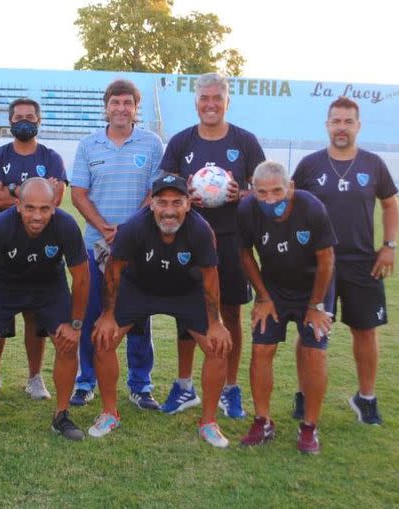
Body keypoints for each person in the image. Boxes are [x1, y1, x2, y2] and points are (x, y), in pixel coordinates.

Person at [90, 175, 232, 447]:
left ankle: (209, 422)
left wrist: (216, 322)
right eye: (162, 202)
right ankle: (109, 413)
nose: (169, 210)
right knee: (103, 339)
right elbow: (114, 271)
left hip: (185, 291)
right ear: (151, 204)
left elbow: (210, 277)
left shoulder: (201, 231)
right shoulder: (134, 228)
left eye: (177, 202)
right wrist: (107, 315)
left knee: (217, 346)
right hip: (139, 289)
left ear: (188, 204)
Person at [158, 72, 265, 419]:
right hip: (188, 239)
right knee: (187, 311)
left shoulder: (245, 141)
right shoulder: (181, 141)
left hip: (233, 240)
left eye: (217, 98)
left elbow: (266, 190)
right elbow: (162, 185)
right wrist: (182, 191)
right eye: (204, 98)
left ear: (227, 101)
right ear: (196, 102)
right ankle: (184, 384)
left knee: (231, 312)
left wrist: (242, 194)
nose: (210, 104)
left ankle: (230, 389)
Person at [292, 96, 399, 425]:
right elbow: (291, 205)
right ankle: (303, 392)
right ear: (327, 125)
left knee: (365, 331)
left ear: (358, 126)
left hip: (362, 262)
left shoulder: (373, 164)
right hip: (317, 263)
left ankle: (365, 398)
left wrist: (389, 245)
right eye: (336, 121)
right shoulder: (310, 165)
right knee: (311, 331)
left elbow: (390, 204)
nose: (341, 128)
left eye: (348, 122)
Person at [0, 177, 90, 441]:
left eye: (45, 208)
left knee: (67, 342)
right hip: (4, 284)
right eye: (30, 208)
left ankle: (62, 414)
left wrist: (76, 325)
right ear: (17, 205)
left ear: (54, 206)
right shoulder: (1, 225)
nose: (37, 216)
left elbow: (81, 277)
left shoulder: (66, 225)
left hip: (48, 285)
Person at [70, 79, 164, 410]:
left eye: (128, 103)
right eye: (115, 102)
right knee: (91, 314)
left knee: (138, 317)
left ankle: (140, 384)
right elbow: (78, 193)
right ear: (106, 107)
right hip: (96, 245)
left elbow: (155, 194)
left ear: (136, 109)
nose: (121, 108)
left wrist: (128, 229)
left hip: (138, 247)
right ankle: (86, 380)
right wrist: (103, 227)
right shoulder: (88, 145)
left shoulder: (152, 144)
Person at [237, 161, 336, 454]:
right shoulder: (247, 210)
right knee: (261, 349)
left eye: (277, 191)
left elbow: (326, 258)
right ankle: (262, 421)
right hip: (274, 289)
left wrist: (316, 305)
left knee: (314, 350)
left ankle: (309, 428)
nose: (270, 200)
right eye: (262, 192)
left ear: (290, 187)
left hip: (314, 288)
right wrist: (263, 296)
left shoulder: (312, 208)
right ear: (253, 191)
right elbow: (245, 255)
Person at [0, 98, 69, 401]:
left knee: (36, 318)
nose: (24, 122)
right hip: (3, 250)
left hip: (45, 251)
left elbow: (55, 200)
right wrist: (32, 192)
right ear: (9, 121)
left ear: (39, 121)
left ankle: (34, 377)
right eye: (18, 117)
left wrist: (14, 190)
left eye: (30, 117)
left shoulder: (52, 156)